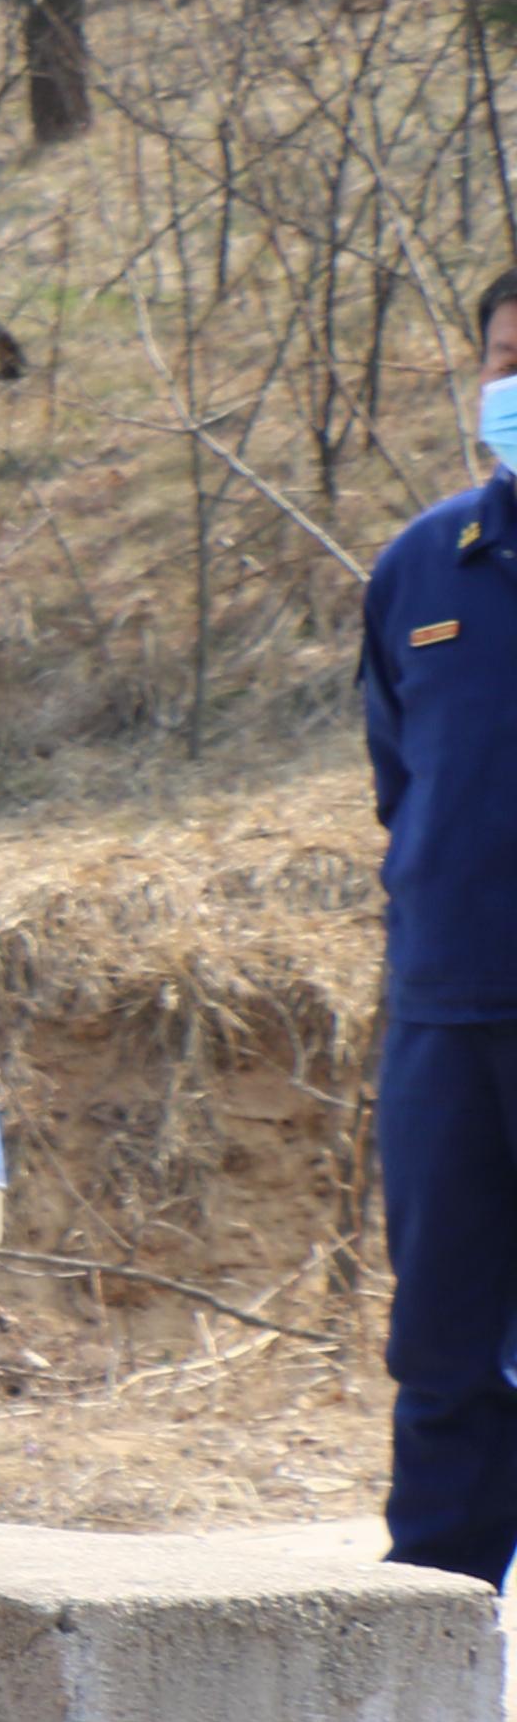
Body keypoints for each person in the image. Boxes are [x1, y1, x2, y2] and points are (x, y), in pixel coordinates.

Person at [364, 265, 517, 1586]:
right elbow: (399, 784)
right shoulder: (422, 567)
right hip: (446, 1019)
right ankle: (432, 1646)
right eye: (507, 361)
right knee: (444, 1350)